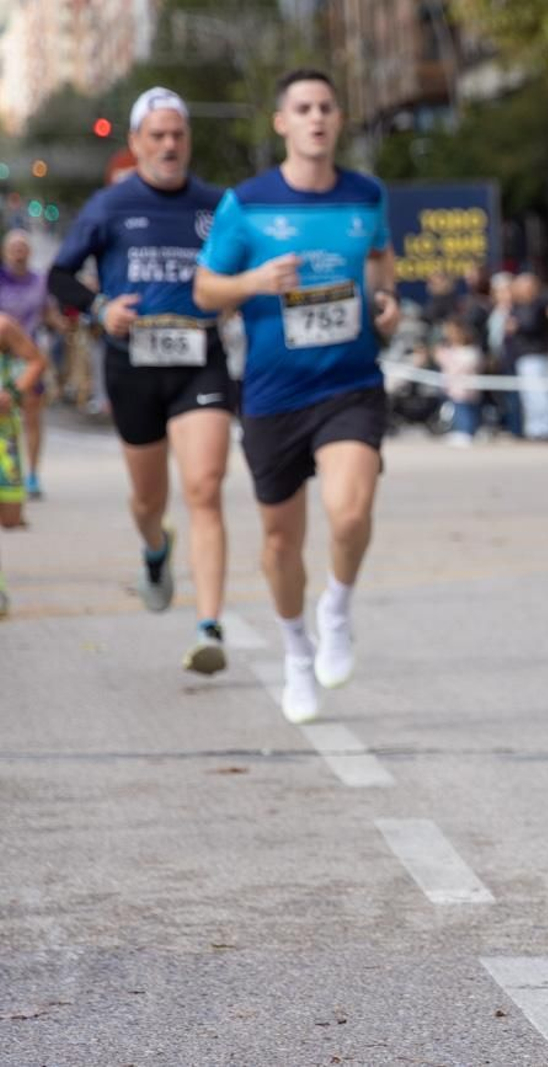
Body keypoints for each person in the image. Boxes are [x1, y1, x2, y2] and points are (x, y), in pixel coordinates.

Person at [192, 69, 401, 723]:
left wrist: (387, 303)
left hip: (349, 385)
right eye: (303, 108)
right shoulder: (247, 203)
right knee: (281, 544)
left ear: (338, 120)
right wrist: (253, 281)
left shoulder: (366, 195)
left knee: (349, 514)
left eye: (326, 107)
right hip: (273, 394)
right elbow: (204, 290)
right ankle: (295, 652)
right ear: (282, 122)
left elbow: (381, 263)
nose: (316, 118)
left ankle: (336, 607)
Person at [48, 87, 234, 673]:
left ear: (189, 140)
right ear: (136, 143)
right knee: (149, 499)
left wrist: (236, 295)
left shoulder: (217, 205)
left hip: (200, 358)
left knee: (204, 486)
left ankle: (209, 627)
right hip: (132, 365)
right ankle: (156, 547)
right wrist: (101, 308)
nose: (169, 145)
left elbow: (245, 271)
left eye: (178, 134)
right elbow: (60, 277)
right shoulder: (110, 205)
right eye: (157, 135)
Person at [1, 230, 54, 501]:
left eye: (23, 246)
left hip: (26, 354)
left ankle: (31, 473)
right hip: (3, 355)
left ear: (30, 251)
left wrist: (63, 325)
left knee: (31, 413)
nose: (19, 251)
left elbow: (49, 313)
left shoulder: (40, 281)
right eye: (14, 247)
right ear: (5, 251)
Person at [0, 314, 47, 617]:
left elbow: (37, 361)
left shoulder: (3, 327)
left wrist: (13, 393)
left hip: (3, 433)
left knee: (10, 516)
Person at [508, 272, 548, 440]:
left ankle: (545, 429)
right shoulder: (517, 306)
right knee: (529, 396)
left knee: (540, 394)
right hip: (522, 355)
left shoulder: (539, 305)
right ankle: (533, 429)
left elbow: (533, 325)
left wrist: (518, 326)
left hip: (537, 355)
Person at [435, 315, 482, 447]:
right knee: (456, 409)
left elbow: (465, 365)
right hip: (453, 387)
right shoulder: (450, 349)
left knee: (465, 410)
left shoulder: (470, 350)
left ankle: (466, 432)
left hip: (465, 387)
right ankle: (459, 430)